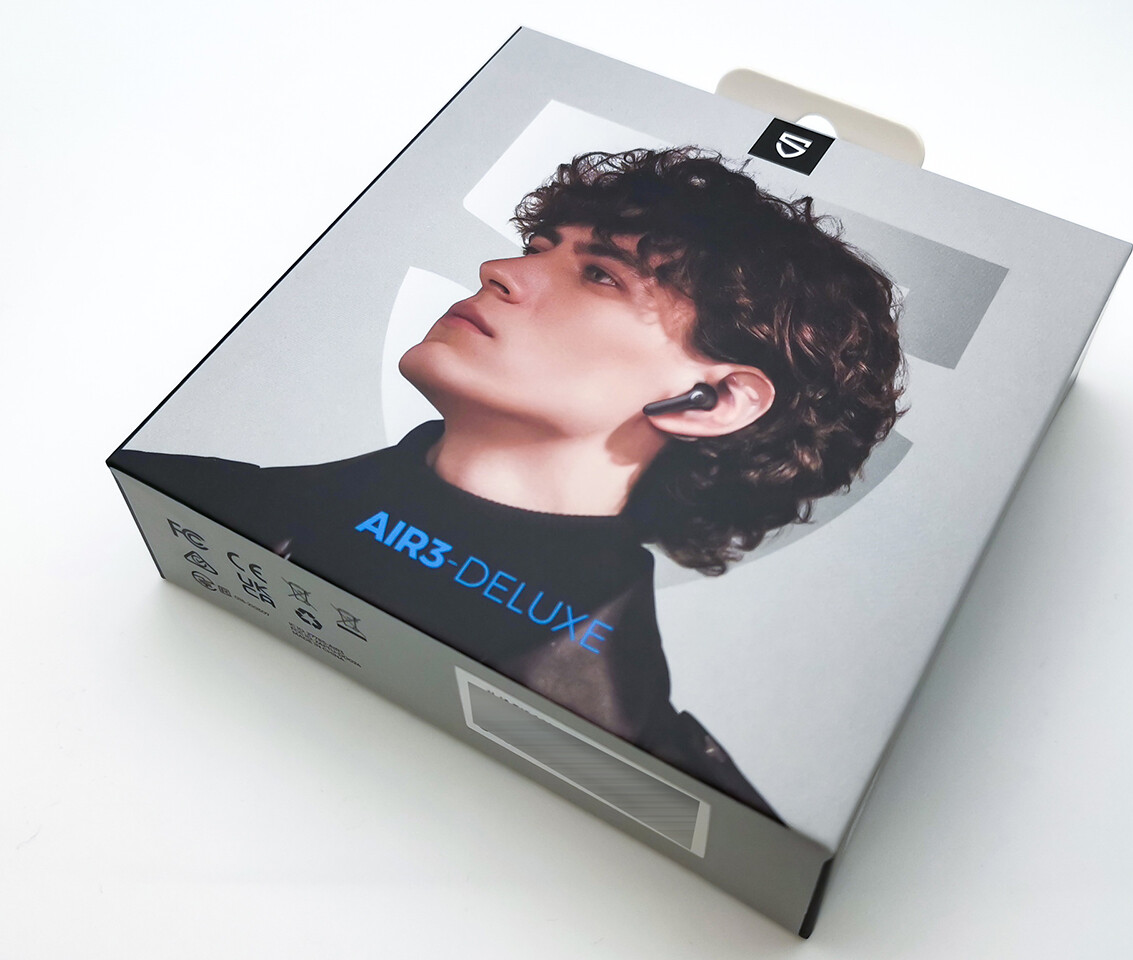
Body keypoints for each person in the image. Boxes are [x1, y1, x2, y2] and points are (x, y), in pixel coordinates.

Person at [112, 147, 906, 818]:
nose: (499, 270)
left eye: (600, 275)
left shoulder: (672, 793)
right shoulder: (186, 501)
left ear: (714, 401)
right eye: (536, 246)